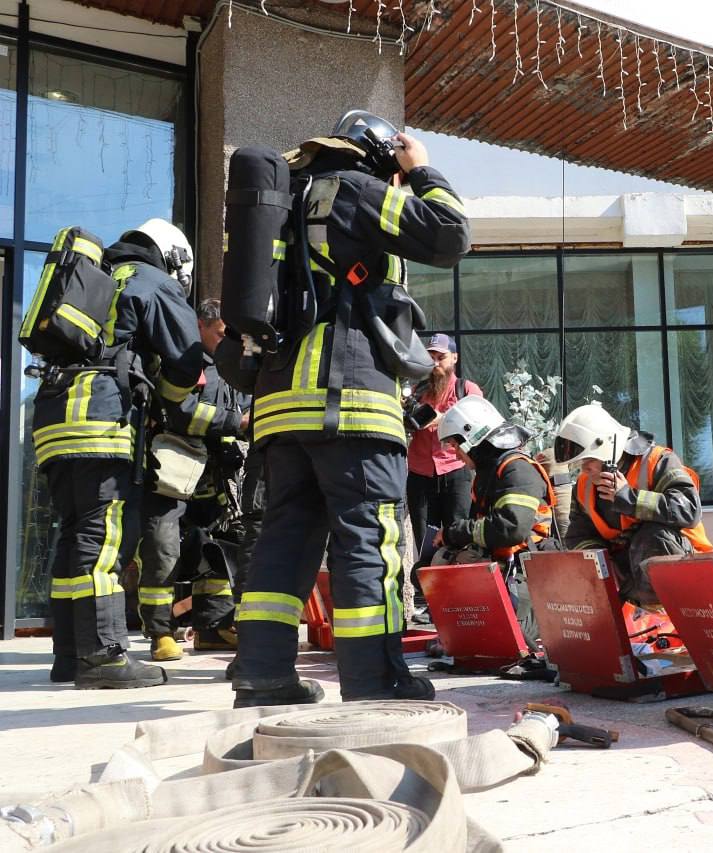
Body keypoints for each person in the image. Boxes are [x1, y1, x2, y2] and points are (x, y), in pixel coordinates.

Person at [229, 110, 470, 707]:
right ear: (378, 156)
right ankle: (374, 680)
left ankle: (262, 676)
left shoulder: (283, 203)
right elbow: (449, 234)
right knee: (369, 538)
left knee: (285, 537)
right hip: (352, 402)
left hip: (281, 408)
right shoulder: (358, 190)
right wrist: (424, 171)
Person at [34, 218, 204, 688]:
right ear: (173, 257)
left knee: (74, 536)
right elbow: (187, 362)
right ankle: (104, 657)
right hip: (100, 421)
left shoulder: (100, 280)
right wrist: (169, 401)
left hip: (54, 415)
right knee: (105, 538)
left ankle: (69, 655)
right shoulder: (152, 280)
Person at [136, 297, 248, 661]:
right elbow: (178, 412)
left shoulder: (230, 365)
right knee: (162, 549)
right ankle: (159, 635)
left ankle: (213, 629)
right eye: (220, 334)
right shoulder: (182, 361)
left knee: (217, 552)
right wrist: (237, 423)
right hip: (171, 469)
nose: (226, 342)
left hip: (213, 475)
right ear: (199, 326)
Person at [554, 403, 712, 606]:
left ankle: (667, 615)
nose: (584, 468)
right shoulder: (585, 485)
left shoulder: (658, 461)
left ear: (608, 447)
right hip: (630, 578)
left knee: (654, 536)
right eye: (580, 463)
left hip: (687, 569)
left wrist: (629, 498)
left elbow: (689, 510)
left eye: (589, 460)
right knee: (587, 560)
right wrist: (603, 568)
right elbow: (579, 536)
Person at [432, 396, 556, 647]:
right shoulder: (490, 473)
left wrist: (456, 533)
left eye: (456, 445)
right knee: (439, 560)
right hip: (504, 567)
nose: (455, 453)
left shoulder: (516, 470)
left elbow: (511, 529)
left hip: (525, 573)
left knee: (503, 643)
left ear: (472, 439)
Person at [404, 333, 482, 615]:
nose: (436, 363)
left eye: (441, 357)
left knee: (457, 533)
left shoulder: (467, 389)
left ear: (454, 358)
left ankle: (461, 601)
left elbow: (477, 424)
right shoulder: (417, 391)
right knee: (424, 539)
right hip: (420, 473)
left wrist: (441, 419)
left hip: (456, 470)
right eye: (432, 358)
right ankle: (432, 604)